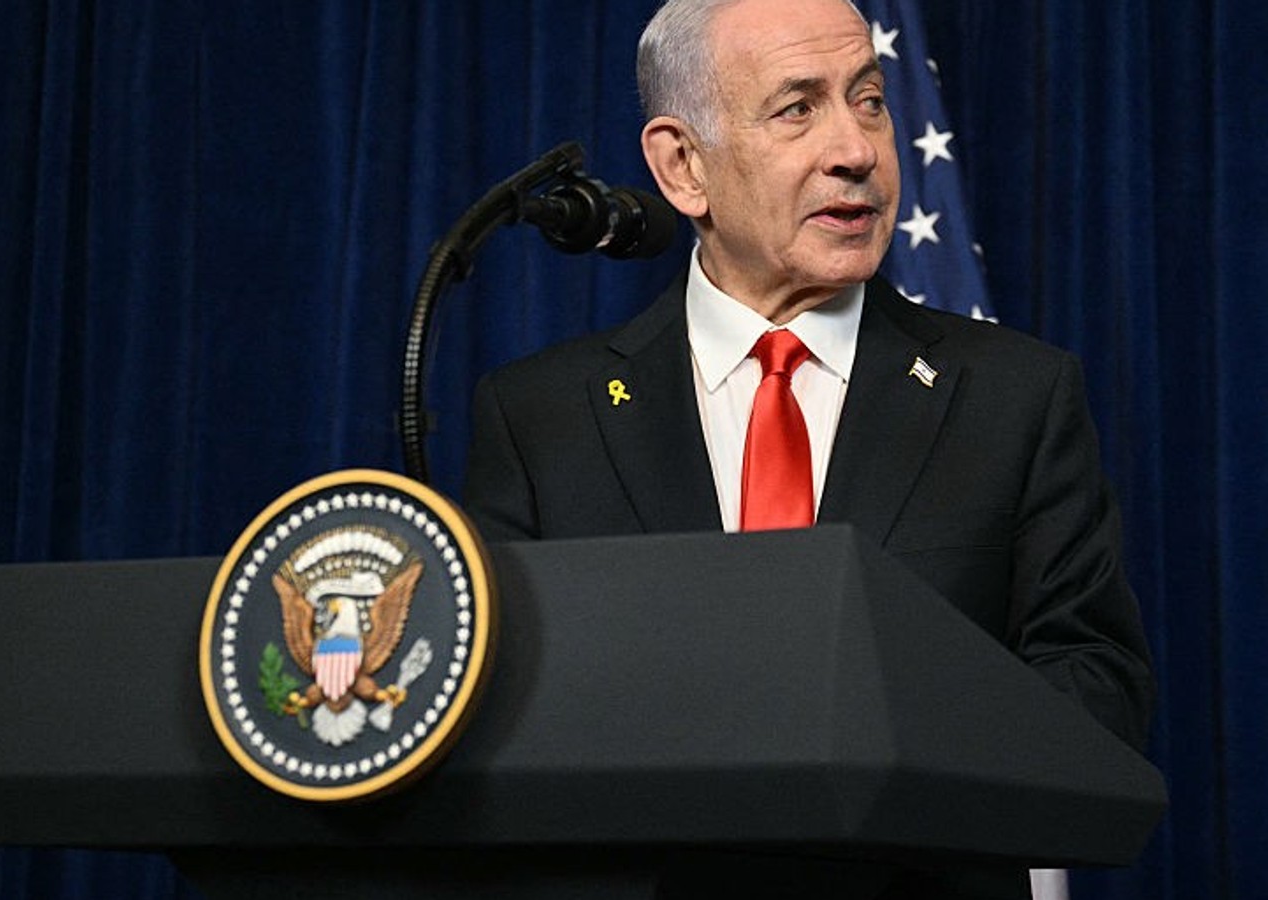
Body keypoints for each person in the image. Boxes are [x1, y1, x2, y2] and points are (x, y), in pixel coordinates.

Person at [463, 0, 1154, 893]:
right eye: (798, 108)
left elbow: (1098, 692)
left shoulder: (1016, 398)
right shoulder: (542, 417)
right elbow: (501, 721)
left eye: (869, 100)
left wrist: (873, 732)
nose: (857, 150)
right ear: (682, 167)